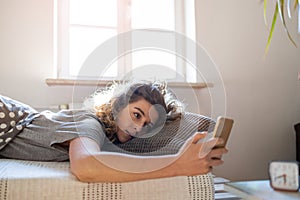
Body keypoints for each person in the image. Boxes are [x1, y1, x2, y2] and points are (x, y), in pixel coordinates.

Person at [0, 80, 227, 183]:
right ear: (118, 106)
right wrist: (176, 165)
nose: (138, 128)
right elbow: (86, 165)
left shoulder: (114, 139)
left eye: (147, 125)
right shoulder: (90, 123)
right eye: (136, 114)